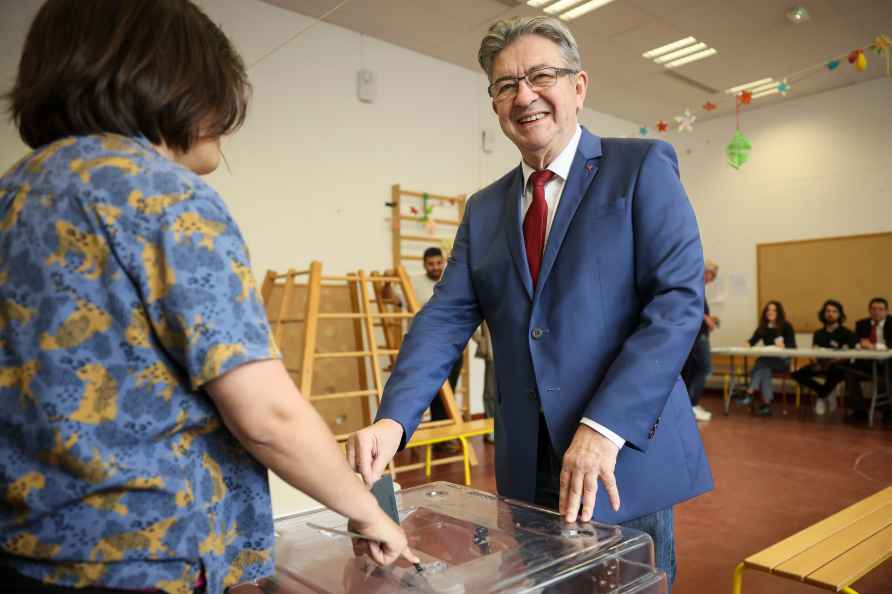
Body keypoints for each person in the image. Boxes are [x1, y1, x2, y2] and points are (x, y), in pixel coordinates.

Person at [0, 2, 415, 592]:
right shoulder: (163, 195)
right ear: (169, 79)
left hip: (25, 551)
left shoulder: (15, 191)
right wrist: (368, 509)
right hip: (143, 560)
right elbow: (266, 416)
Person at [348, 16, 712, 588]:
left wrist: (605, 426)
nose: (525, 96)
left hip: (620, 456)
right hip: (527, 463)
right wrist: (393, 421)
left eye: (541, 75)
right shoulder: (485, 208)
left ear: (579, 87)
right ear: (494, 104)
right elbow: (444, 319)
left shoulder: (639, 168)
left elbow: (678, 302)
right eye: (505, 85)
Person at [792, 300, 857, 415]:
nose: (830, 314)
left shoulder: (847, 333)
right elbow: (813, 352)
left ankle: (821, 397)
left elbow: (849, 355)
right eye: (827, 311)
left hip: (839, 365)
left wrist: (831, 362)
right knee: (797, 374)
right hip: (820, 364)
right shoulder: (818, 333)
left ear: (840, 314)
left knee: (836, 370)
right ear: (823, 313)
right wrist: (815, 361)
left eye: (834, 311)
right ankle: (825, 391)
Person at [741, 301, 797, 417]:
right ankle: (766, 405)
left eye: (773, 310)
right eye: (768, 310)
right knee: (764, 367)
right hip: (768, 362)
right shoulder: (763, 327)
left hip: (783, 361)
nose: (770, 312)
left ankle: (750, 392)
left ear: (779, 313)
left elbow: (793, 346)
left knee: (761, 361)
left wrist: (784, 346)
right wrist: (747, 343)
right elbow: (752, 341)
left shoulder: (786, 326)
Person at [682, 260, 719, 422]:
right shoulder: (694, 284)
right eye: (712, 275)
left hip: (695, 335)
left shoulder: (699, 287)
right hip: (697, 336)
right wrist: (706, 319)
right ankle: (692, 404)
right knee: (706, 367)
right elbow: (690, 305)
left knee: (692, 369)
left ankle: (689, 404)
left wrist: (709, 320)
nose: (712, 279)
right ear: (706, 271)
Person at [844, 297, 891, 419]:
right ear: (869, 310)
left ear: (886, 311)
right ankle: (859, 411)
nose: (876, 312)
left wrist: (876, 346)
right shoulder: (861, 323)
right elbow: (853, 340)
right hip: (867, 363)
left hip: (888, 364)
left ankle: (888, 411)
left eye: (880, 309)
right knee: (849, 373)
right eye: (873, 309)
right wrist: (860, 344)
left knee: (885, 377)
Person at [471, 321, 497, 442]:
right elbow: (470, 322)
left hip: (513, 354)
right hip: (493, 354)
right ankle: (491, 430)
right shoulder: (486, 302)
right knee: (490, 393)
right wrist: (481, 341)